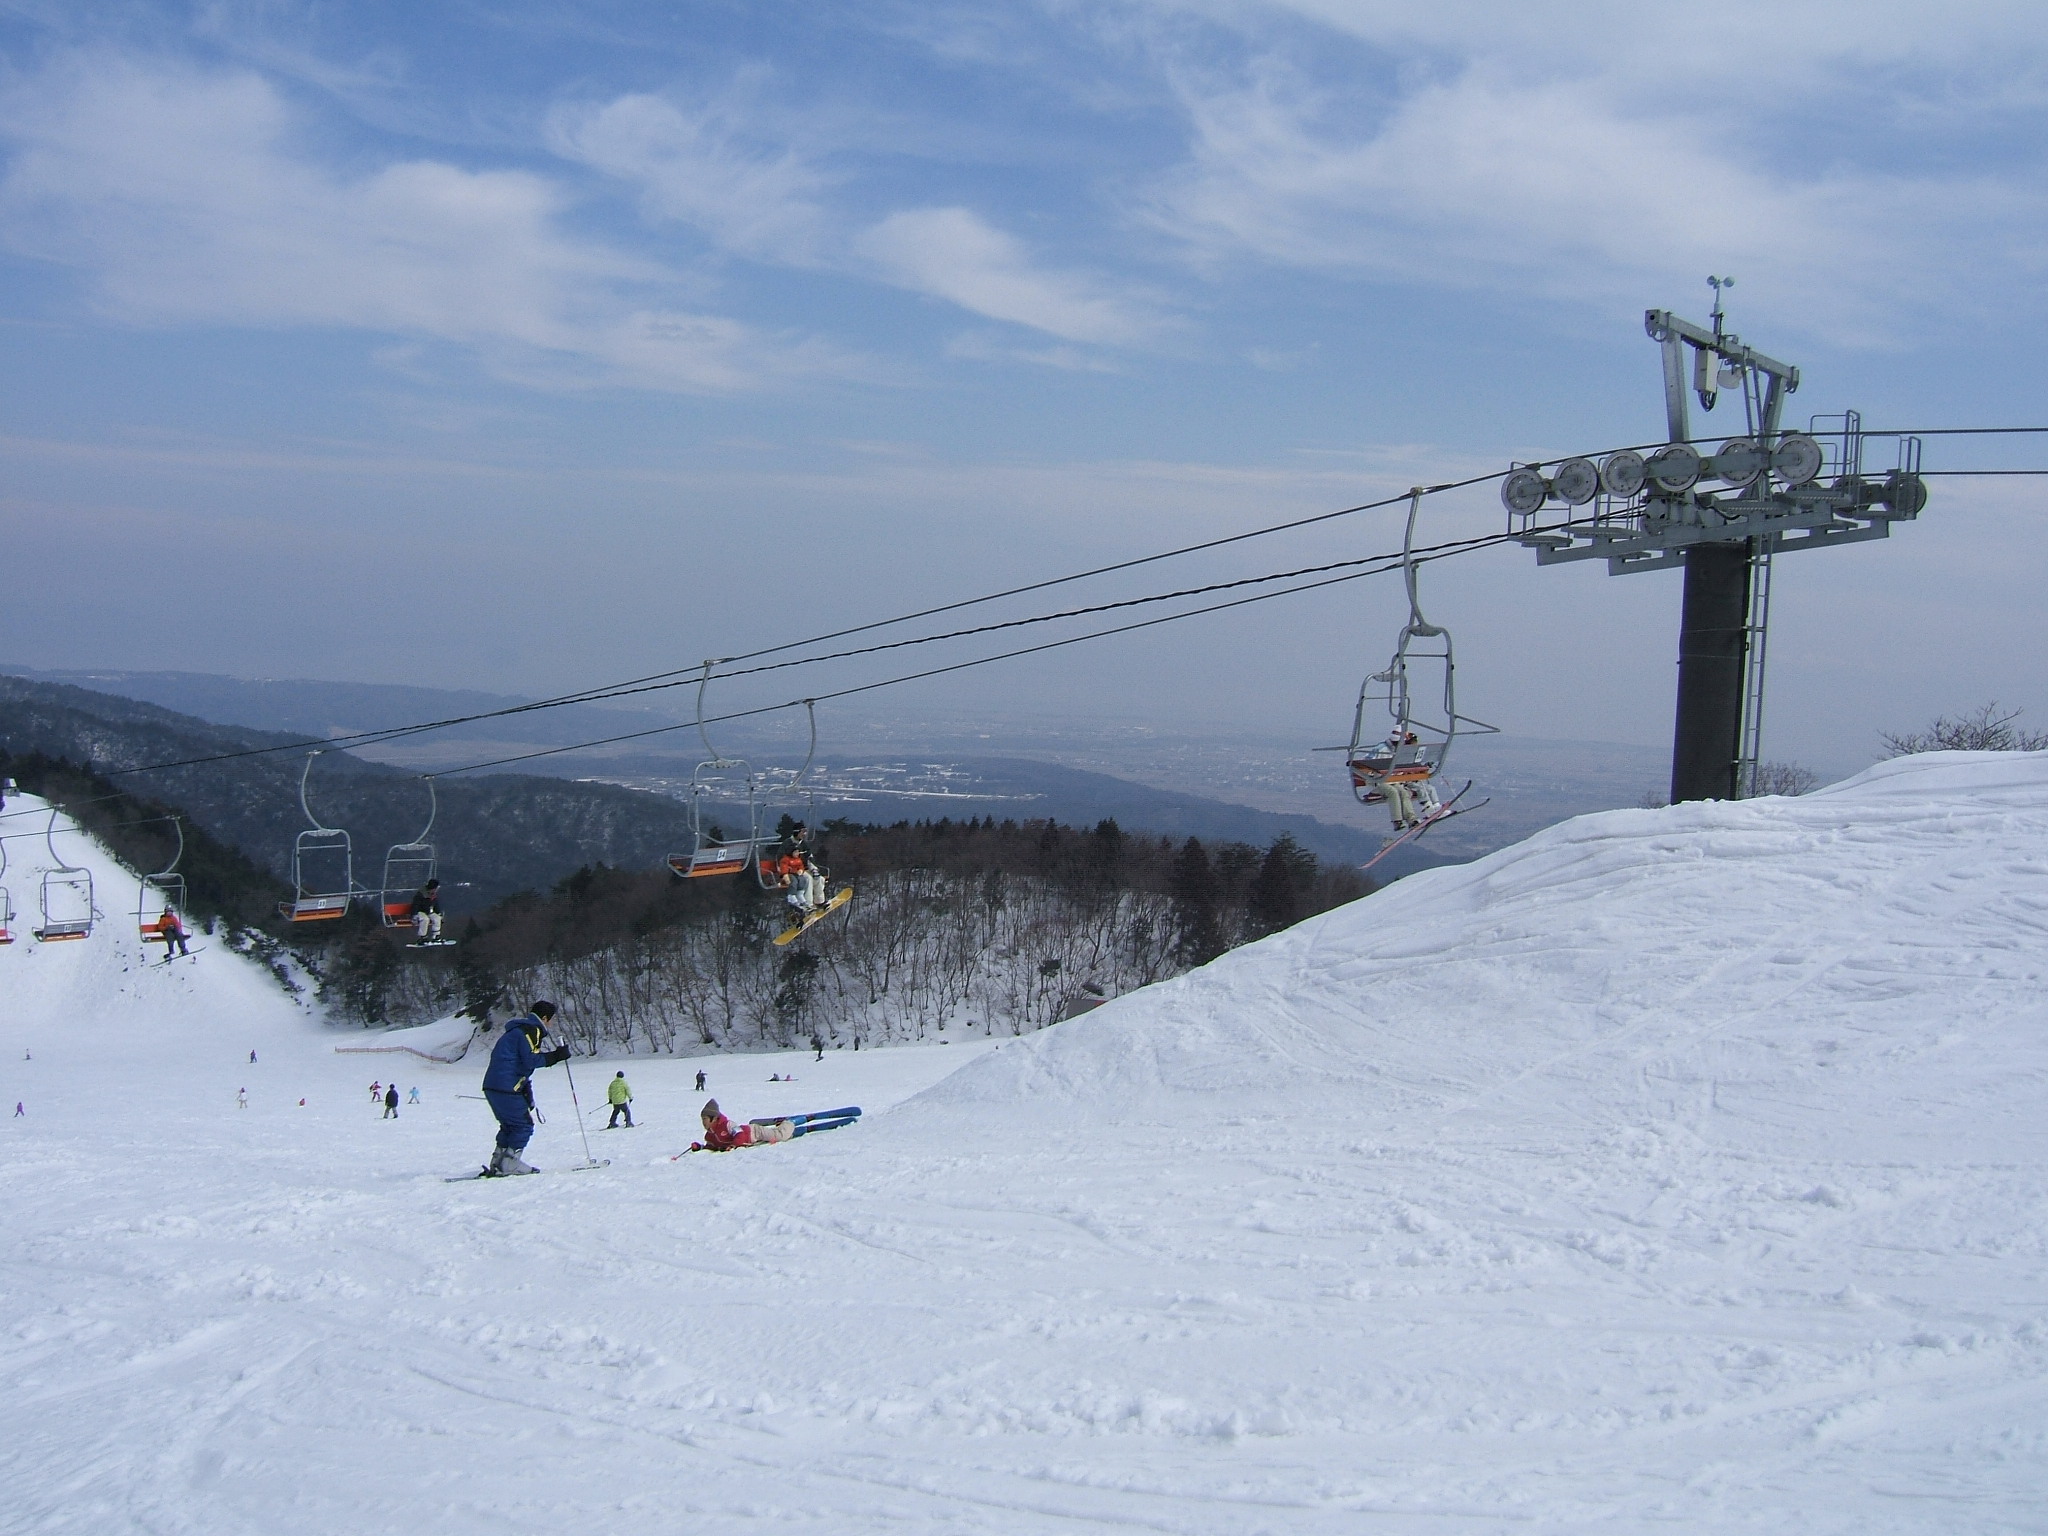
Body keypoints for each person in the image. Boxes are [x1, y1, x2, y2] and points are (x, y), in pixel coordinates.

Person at [479, 1001, 571, 1175]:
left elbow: (515, 1061)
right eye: (550, 1020)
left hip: (492, 1085)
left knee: (509, 1125)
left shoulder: (516, 1031)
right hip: (506, 1086)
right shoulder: (531, 1030)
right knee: (523, 1126)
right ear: (544, 1018)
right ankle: (510, 1163)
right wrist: (557, 1056)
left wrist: (524, 1086)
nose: (550, 1024)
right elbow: (531, 1060)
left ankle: (498, 1161)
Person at [411, 879, 444, 943]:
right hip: (420, 911)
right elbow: (415, 905)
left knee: (437, 918)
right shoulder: (421, 894)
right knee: (425, 919)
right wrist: (414, 915)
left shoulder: (433, 894)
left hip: (428, 911)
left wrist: (439, 913)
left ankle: (436, 936)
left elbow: (435, 904)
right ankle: (422, 937)